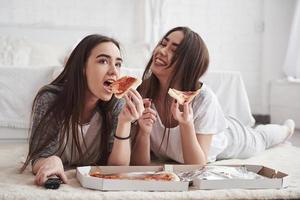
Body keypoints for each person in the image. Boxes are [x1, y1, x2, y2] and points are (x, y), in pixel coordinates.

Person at [130, 26, 295, 166]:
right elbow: (140, 167)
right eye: (163, 44)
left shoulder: (203, 98)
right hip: (214, 122)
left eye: (174, 50)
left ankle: (287, 129)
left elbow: (196, 166)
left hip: (231, 138)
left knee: (261, 138)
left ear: (188, 63)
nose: (161, 51)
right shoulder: (143, 93)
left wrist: (187, 124)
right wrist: (143, 132)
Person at [21, 34, 144, 186]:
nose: (114, 71)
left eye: (118, 64)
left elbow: (117, 170)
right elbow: (39, 156)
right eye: (103, 61)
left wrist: (124, 123)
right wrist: (52, 160)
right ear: (82, 67)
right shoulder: (50, 99)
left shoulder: (117, 105)